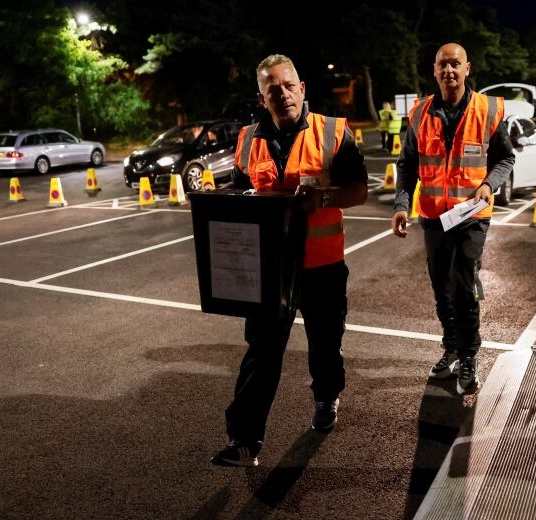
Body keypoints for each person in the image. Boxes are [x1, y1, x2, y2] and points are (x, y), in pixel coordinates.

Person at [210, 54, 368, 467]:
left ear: (302, 89)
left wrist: (326, 197)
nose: (282, 94)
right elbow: (240, 193)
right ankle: (244, 439)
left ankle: (326, 396)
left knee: (325, 346)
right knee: (261, 351)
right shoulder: (247, 140)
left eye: (287, 85)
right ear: (262, 98)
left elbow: (359, 190)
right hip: (269, 270)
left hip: (323, 267)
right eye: (271, 89)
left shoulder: (333, 133)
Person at [391, 43, 514, 395]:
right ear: (434, 70)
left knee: (462, 285)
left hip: (471, 216)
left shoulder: (487, 111)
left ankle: (469, 355)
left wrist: (489, 185)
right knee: (440, 287)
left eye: (455, 64)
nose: (449, 70)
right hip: (432, 216)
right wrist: (402, 203)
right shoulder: (418, 114)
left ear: (467, 68)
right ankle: (451, 348)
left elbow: (505, 159)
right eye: (443, 64)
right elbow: (407, 165)